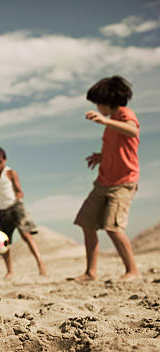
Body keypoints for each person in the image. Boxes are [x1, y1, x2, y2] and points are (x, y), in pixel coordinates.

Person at [72, 76, 140, 282]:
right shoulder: (111, 124)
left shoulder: (124, 115)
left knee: (112, 227)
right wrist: (100, 157)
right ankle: (90, 272)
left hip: (123, 182)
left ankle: (132, 271)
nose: (97, 108)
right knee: (87, 222)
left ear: (107, 100)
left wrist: (105, 120)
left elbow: (133, 130)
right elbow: (117, 147)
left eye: (97, 104)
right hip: (103, 181)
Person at [0, 146, 46, 279]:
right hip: (3, 212)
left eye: (0, 162)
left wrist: (19, 193)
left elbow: (18, 188)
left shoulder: (10, 173)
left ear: (5, 160)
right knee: (3, 242)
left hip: (16, 208)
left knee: (26, 235)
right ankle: (10, 270)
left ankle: (40, 263)